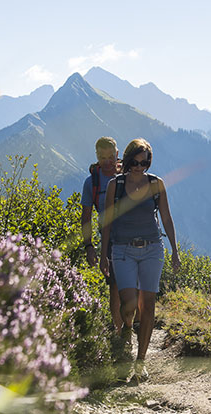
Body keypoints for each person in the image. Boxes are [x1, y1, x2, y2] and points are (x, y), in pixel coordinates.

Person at [100, 138, 181, 382]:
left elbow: (166, 218)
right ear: (126, 160)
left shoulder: (157, 184)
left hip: (152, 249)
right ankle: (126, 328)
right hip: (122, 250)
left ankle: (140, 362)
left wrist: (175, 251)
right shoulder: (117, 184)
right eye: (134, 161)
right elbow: (107, 223)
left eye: (144, 162)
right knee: (130, 305)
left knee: (148, 305)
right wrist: (104, 254)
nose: (139, 166)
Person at [81, 136, 123, 331]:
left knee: (134, 285)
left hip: (134, 234)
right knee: (114, 285)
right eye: (102, 157)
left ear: (117, 154)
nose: (107, 162)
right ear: (96, 157)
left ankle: (133, 324)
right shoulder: (92, 183)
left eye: (110, 157)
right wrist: (89, 246)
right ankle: (120, 332)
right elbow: (86, 217)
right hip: (110, 239)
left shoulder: (130, 174)